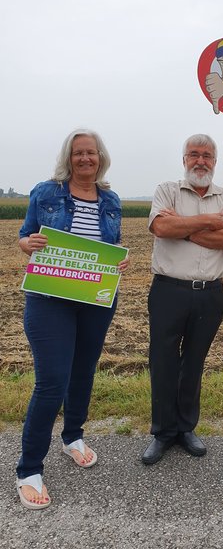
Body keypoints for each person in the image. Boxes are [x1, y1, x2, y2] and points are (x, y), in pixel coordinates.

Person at [16, 129, 129, 509]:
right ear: (69, 157)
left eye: (91, 153)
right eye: (78, 153)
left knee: (83, 372)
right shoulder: (45, 193)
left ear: (101, 158)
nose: (85, 159)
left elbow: (112, 247)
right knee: (51, 382)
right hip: (49, 299)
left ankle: (73, 437)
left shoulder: (110, 199)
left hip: (95, 299)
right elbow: (24, 237)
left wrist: (120, 260)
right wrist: (26, 244)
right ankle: (29, 469)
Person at [142, 134, 223, 465]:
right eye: (194, 155)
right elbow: (159, 227)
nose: (201, 161)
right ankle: (162, 432)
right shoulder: (167, 190)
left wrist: (183, 228)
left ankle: (185, 428)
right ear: (184, 159)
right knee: (163, 361)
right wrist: (209, 222)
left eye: (207, 156)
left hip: (209, 294)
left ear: (215, 161)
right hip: (168, 289)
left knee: (194, 362)